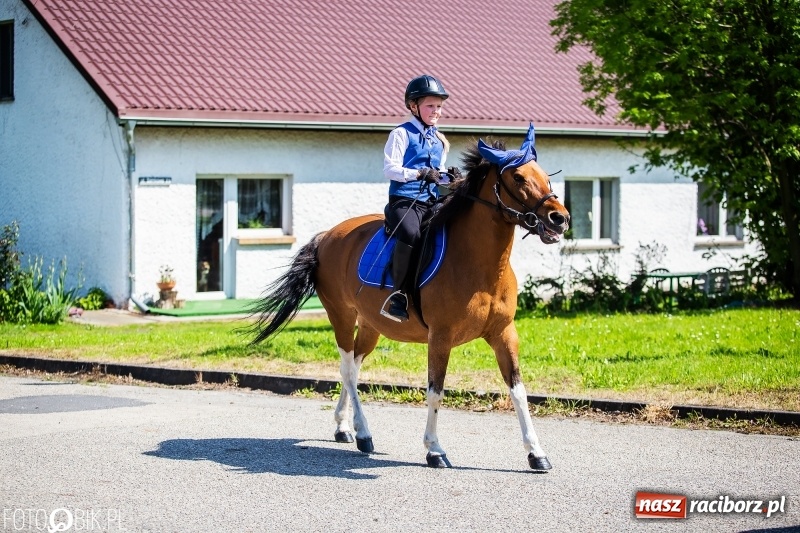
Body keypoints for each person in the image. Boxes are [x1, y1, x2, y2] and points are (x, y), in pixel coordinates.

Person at [380, 74, 451, 322]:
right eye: (430, 105)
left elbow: (438, 175)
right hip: (404, 200)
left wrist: (450, 178)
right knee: (411, 233)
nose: (436, 111)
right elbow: (390, 169)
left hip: (431, 200)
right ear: (413, 106)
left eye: (439, 106)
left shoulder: (439, 140)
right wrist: (419, 173)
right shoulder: (400, 134)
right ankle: (398, 295)